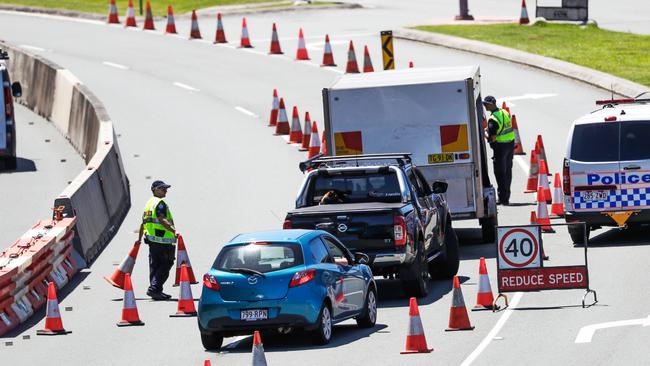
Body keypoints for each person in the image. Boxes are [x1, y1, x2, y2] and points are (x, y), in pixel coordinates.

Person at [137, 180, 177, 300]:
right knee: (166, 264)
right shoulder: (160, 204)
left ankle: (157, 291)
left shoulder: (149, 203)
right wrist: (173, 231)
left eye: (166, 188)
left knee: (155, 265)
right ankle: (154, 289)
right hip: (163, 241)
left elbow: (143, 223)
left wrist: (138, 239)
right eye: (162, 188)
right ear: (155, 190)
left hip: (152, 241)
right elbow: (161, 219)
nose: (165, 191)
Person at [483, 96, 515, 205]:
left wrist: (485, 133)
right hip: (510, 145)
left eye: (486, 104)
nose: (485, 106)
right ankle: (506, 196)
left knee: (500, 173)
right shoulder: (504, 112)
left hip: (500, 148)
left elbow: (492, 137)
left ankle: (503, 199)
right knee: (507, 172)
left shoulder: (493, 120)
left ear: (491, 104)